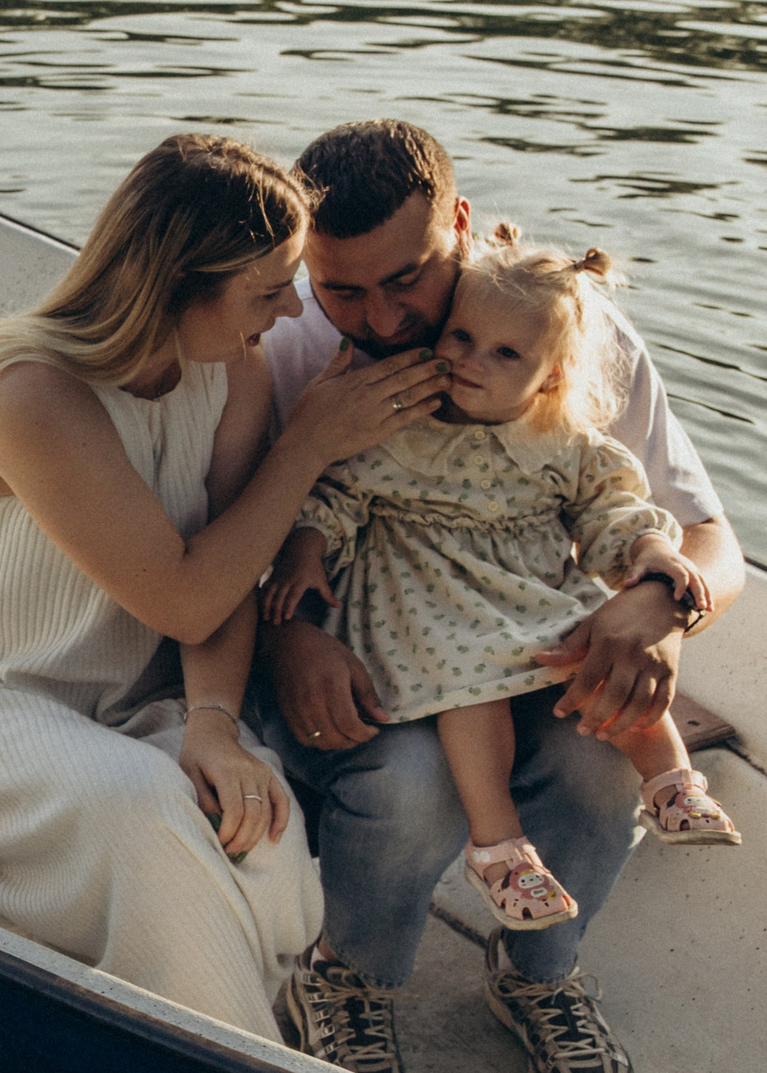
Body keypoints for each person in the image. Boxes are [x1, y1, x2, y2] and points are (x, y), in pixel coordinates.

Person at [0, 134, 451, 1040]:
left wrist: (215, 728)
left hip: (141, 707)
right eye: (269, 291)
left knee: (258, 826)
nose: (294, 306)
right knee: (149, 817)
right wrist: (306, 448)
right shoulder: (25, 391)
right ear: (179, 286)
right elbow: (181, 595)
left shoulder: (235, 368)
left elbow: (229, 574)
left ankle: (194, 1020)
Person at [262, 121, 745, 1073]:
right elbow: (232, 543)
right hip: (368, 656)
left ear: (462, 227)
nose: (382, 318)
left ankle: (540, 974)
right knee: (411, 787)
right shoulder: (276, 340)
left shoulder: (557, 327)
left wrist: (660, 606)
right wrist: (291, 635)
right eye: (339, 289)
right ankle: (346, 979)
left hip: (523, 634)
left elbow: (704, 536)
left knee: (604, 748)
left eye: (408, 280)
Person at [263, 224, 734, 933]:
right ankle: (499, 845)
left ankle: (670, 783)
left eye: (504, 353)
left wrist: (651, 564)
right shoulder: (399, 426)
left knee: (602, 673)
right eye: (459, 337)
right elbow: (338, 495)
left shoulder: (567, 441)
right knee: (470, 686)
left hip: (534, 604)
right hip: (436, 614)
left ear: (549, 375)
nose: (469, 360)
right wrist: (304, 549)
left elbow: (615, 513)